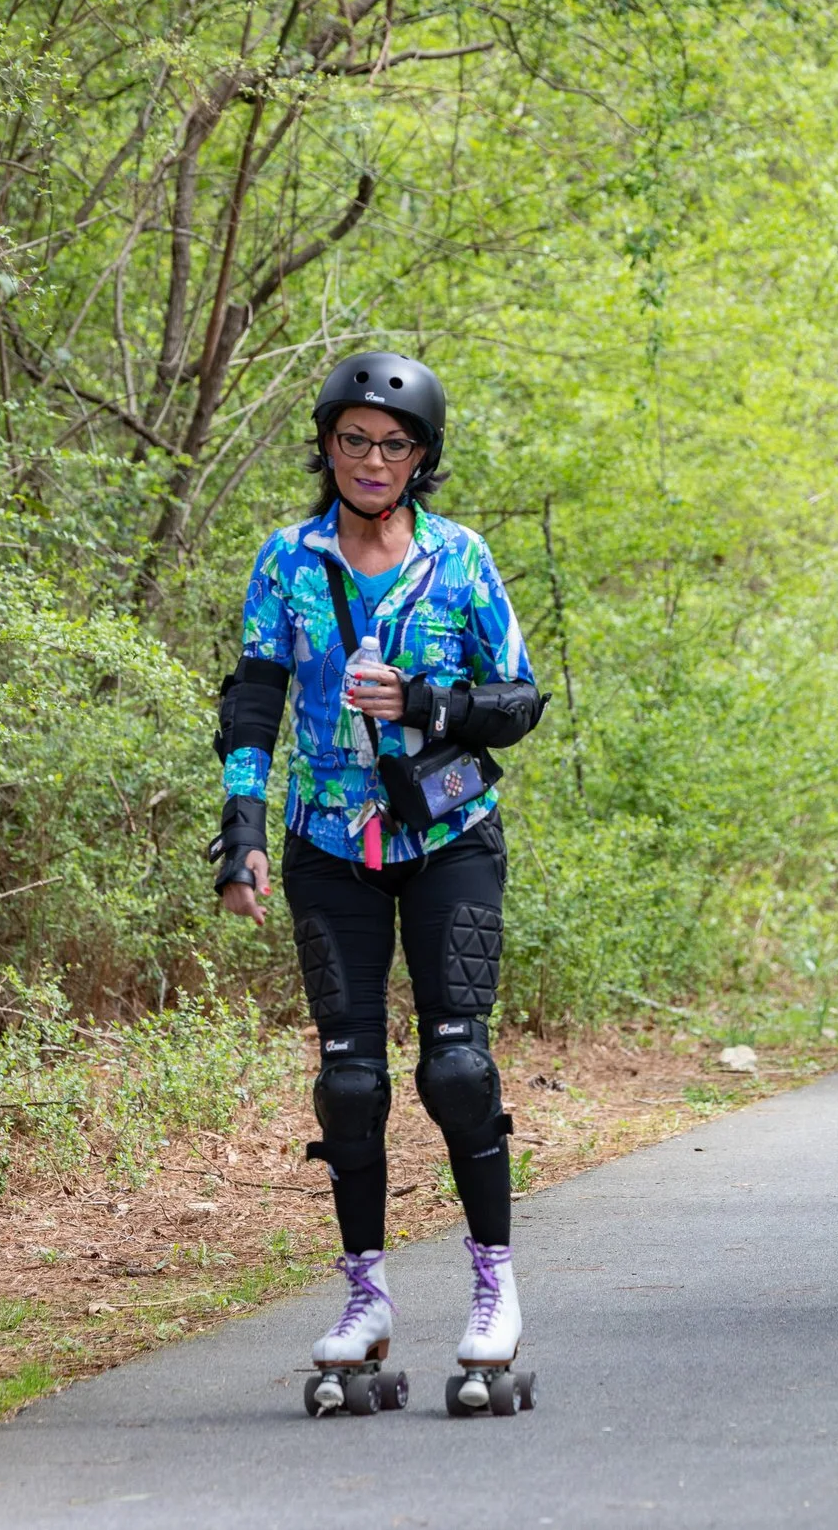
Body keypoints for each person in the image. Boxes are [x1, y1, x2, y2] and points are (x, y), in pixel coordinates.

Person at [207, 352, 548, 1415]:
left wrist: (426, 701)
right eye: (353, 439)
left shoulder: (459, 558)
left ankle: (493, 1284)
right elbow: (254, 693)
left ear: (422, 459)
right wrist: (243, 825)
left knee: (455, 1065)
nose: (371, 458)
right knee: (349, 1080)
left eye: (393, 443)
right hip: (327, 842)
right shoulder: (287, 560)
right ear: (326, 446)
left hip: (447, 833)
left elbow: (519, 697)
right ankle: (366, 1296)